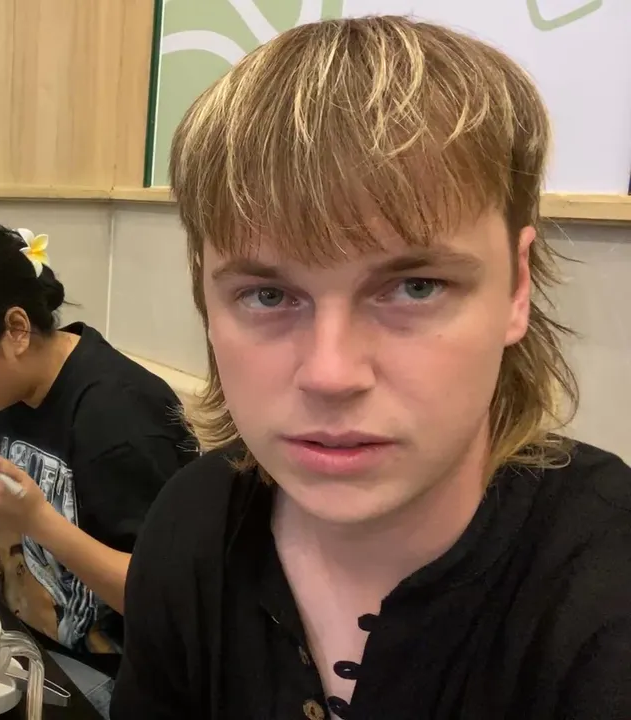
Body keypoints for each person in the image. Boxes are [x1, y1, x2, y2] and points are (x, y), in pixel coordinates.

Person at [110, 15, 631, 720]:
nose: (331, 374)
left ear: (517, 287)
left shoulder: (604, 595)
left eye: (416, 287)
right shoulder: (189, 528)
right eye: (268, 295)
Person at [0, 220, 196, 716]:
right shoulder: (12, 387)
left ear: (15, 329)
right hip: (29, 638)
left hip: (115, 681)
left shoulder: (121, 418)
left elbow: (170, 601)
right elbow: (54, 475)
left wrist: (35, 521)